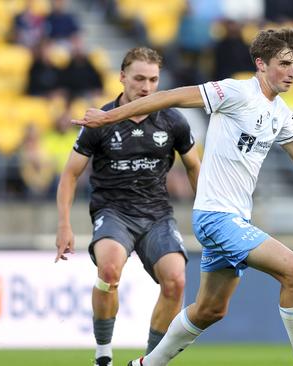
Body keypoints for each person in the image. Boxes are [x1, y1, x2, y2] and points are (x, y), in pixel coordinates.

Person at [71, 29, 293, 366]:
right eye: (284, 64)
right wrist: (109, 116)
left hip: (235, 219)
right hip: (216, 218)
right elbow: (171, 97)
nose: (292, 72)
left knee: (210, 310)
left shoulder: (279, 112)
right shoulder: (234, 92)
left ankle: (145, 364)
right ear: (261, 64)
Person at [54, 47, 201, 366]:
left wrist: (208, 213)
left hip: (157, 215)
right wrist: (64, 224)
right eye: (139, 79)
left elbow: (193, 167)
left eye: (153, 80)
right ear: (122, 77)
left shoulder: (173, 120)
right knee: (108, 270)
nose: (146, 87)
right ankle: (103, 355)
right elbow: (69, 174)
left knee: (176, 281)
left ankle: (152, 360)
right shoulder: (101, 121)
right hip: (113, 212)